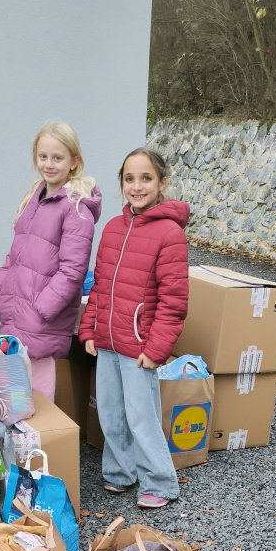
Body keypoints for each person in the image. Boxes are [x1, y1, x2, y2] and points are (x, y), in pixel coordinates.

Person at [78, 148, 189, 509]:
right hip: (108, 340)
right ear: (121, 183)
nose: (137, 186)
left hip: (140, 346)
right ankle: (120, 472)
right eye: (129, 179)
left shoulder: (170, 233)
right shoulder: (112, 228)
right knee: (111, 414)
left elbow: (173, 301)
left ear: (162, 183)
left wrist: (156, 349)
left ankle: (160, 482)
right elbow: (100, 286)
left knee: (142, 417)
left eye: (146, 178)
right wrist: (89, 329)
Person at [0, 122, 102, 401]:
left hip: (40, 316)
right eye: (43, 156)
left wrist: (41, 308)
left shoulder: (77, 208)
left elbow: (73, 271)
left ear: (74, 161)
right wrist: (1, 283)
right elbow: (17, 250)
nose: (49, 164)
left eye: (57, 157)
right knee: (16, 395)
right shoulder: (34, 196)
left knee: (38, 395)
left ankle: (43, 432)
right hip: (17, 306)